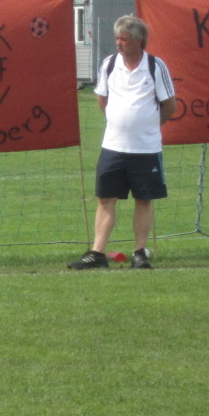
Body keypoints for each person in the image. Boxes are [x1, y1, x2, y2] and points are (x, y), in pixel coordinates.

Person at [69, 14, 176, 271]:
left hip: (146, 148)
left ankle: (140, 253)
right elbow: (102, 99)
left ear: (138, 40)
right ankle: (97, 253)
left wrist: (147, 126)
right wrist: (119, 122)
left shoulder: (155, 66)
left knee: (144, 200)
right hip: (113, 147)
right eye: (117, 38)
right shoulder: (109, 64)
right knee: (105, 198)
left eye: (124, 39)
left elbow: (169, 105)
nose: (119, 43)